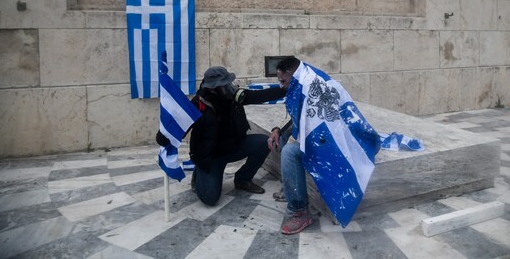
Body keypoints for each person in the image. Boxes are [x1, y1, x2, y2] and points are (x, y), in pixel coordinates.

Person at [266, 56, 381, 235]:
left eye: (282, 81)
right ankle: (292, 188)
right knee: (281, 140)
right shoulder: (301, 79)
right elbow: (300, 117)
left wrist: (295, 141)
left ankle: (300, 211)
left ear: (291, 74)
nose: (281, 86)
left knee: (289, 152)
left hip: (334, 137)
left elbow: (321, 128)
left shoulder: (311, 86)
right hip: (321, 132)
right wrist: (278, 130)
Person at [157, 66, 286, 206]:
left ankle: (243, 179)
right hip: (211, 157)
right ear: (212, 88)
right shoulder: (197, 105)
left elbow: (259, 96)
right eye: (225, 85)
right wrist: (164, 135)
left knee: (263, 142)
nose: (229, 87)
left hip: (234, 147)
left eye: (228, 83)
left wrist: (286, 89)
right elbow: (178, 129)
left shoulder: (235, 97)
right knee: (210, 198)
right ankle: (199, 174)